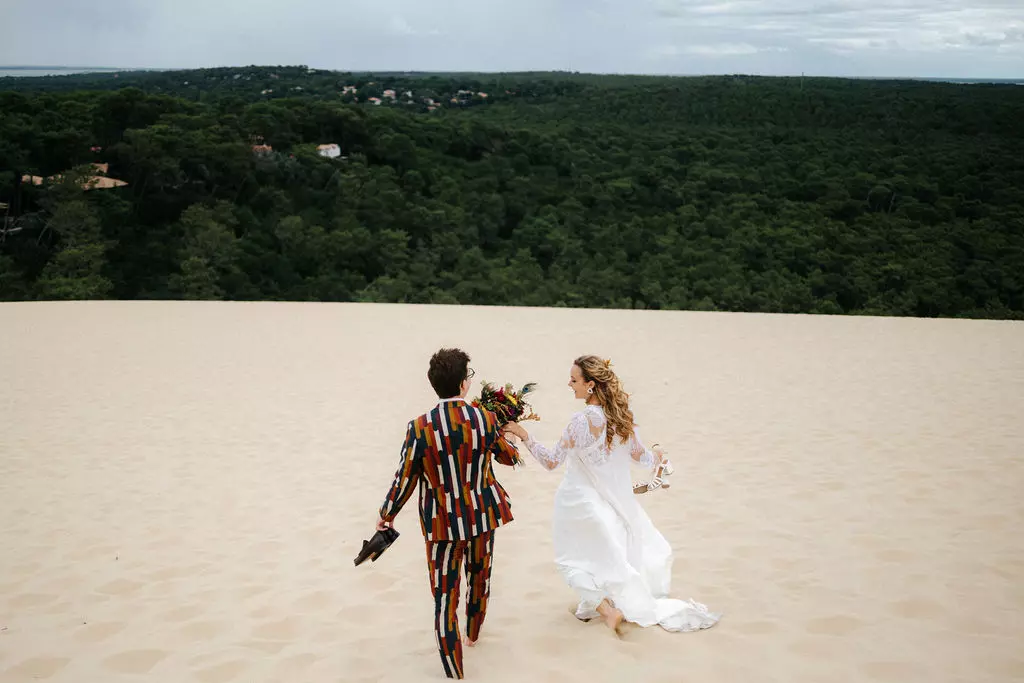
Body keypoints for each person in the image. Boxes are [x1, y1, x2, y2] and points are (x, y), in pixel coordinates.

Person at [503, 355, 720, 635]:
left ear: (590, 384)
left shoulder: (581, 421)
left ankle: (608, 611)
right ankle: (600, 606)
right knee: (594, 558)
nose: (569, 384)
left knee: (570, 560)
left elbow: (551, 461)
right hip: (606, 505)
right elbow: (640, 456)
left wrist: (524, 435)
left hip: (577, 503)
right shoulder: (619, 418)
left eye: (574, 379)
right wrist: (659, 457)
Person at [376, 347, 520, 679]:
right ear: (463, 384)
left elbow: (405, 478)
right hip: (482, 517)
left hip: (442, 525)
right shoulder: (485, 419)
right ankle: (472, 634)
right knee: (479, 579)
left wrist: (387, 513)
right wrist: (509, 433)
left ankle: (454, 671)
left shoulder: (419, 427)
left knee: (445, 594)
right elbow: (508, 458)